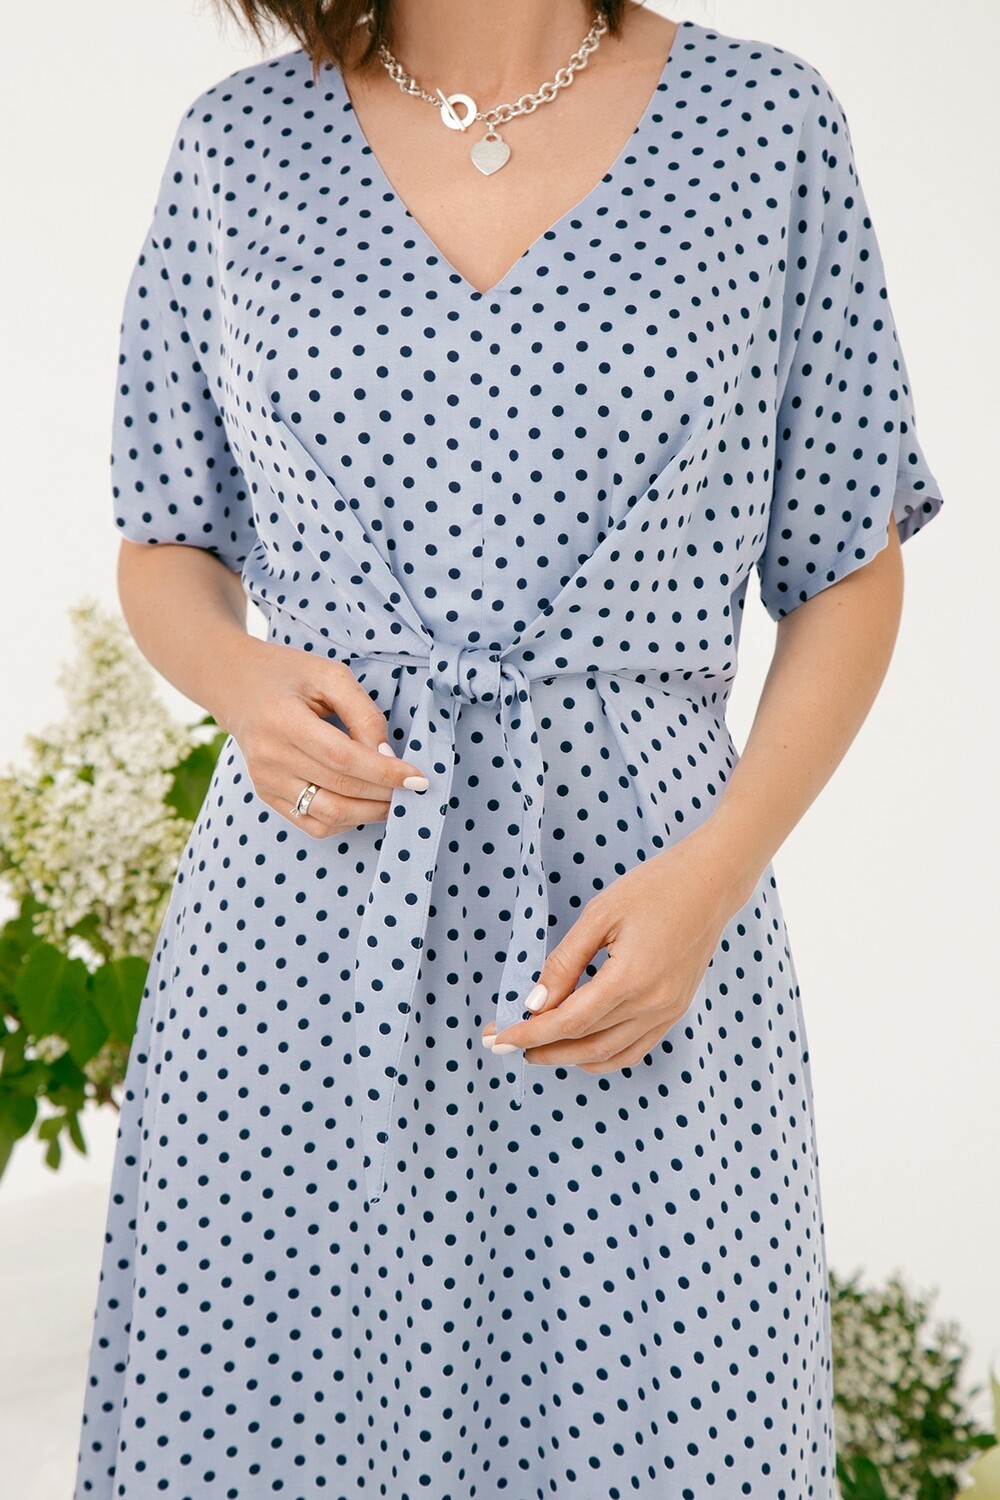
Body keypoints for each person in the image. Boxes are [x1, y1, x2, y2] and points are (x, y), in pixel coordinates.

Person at [72, 2, 945, 1495]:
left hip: (646, 934)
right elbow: (165, 537)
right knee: (274, 1430)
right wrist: (238, 678)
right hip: (300, 938)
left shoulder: (767, 128)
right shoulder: (236, 146)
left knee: (677, 1432)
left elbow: (848, 568)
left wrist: (714, 880)